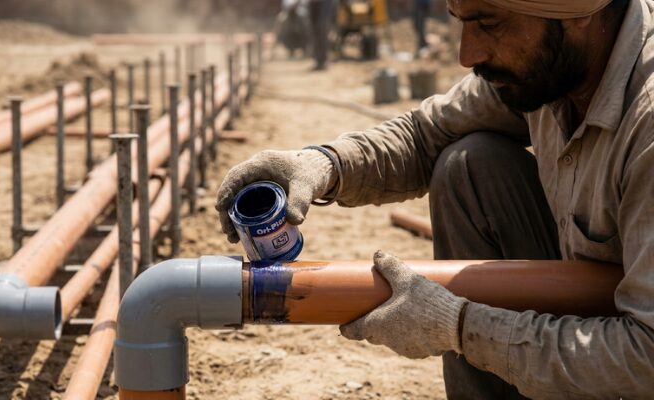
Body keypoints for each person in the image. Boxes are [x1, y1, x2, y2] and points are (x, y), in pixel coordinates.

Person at [215, 0, 654, 398]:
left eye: (487, 23)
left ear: (577, 10)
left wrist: (462, 327)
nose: (467, 54)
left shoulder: (646, 123)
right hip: (597, 319)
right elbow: (427, 134)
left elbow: (646, 361)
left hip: (632, 360)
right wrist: (325, 165)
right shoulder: (548, 67)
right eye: (462, 23)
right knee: (469, 164)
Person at [308, 0, 334, 70]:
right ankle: (318, 60)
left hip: (324, 2)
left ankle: (323, 60)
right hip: (313, 3)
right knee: (315, 31)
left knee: (322, 29)